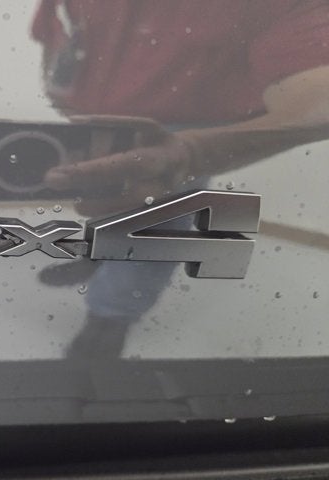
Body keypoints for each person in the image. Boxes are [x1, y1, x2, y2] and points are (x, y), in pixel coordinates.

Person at [31, 0, 329, 360]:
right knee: (102, 200)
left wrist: (192, 151)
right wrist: (60, 94)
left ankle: (110, 318)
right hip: (92, 118)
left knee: (153, 228)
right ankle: (98, 257)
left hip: (180, 128)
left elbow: (319, 96)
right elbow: (58, 26)